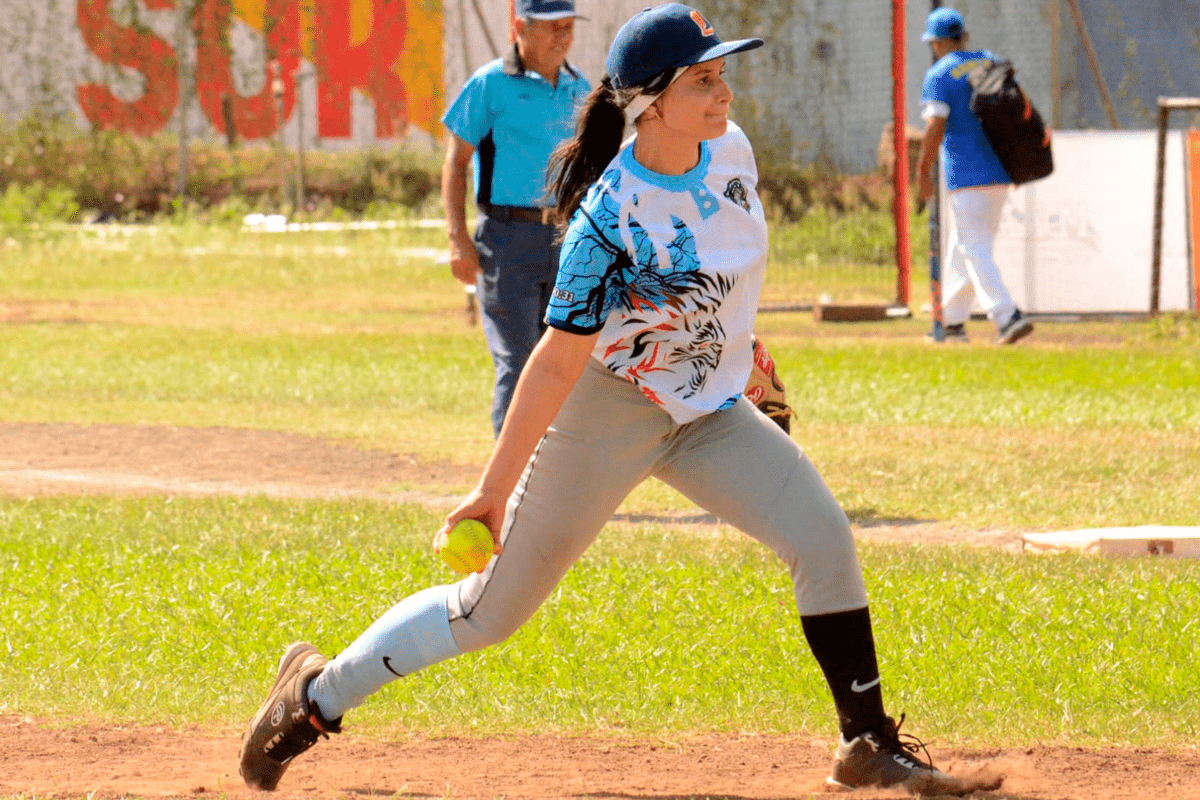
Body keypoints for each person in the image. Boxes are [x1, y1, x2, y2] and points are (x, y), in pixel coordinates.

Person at [238, 5, 1001, 797]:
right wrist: (492, 491)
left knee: (823, 537)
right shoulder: (608, 220)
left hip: (708, 414)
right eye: (701, 80)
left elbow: (725, 277)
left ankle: (867, 744)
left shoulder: (731, 151)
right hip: (608, 412)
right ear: (649, 101)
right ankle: (314, 698)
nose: (722, 93)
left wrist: (746, 357)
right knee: (488, 614)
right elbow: (558, 360)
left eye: (722, 74)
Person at [441, 0, 591, 437]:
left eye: (568, 27)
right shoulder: (490, 85)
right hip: (505, 241)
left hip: (566, 241)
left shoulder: (579, 87)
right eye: (551, 28)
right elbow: (455, 163)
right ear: (520, 27)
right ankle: (509, 488)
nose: (562, 37)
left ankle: (552, 479)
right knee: (518, 359)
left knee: (563, 363)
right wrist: (457, 239)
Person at [915, 6, 1033, 346]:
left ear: (936, 43)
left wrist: (922, 173)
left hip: (966, 174)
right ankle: (952, 322)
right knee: (963, 246)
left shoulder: (939, 73)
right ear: (964, 36)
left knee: (973, 247)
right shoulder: (991, 60)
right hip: (1000, 170)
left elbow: (935, 126)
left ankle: (1007, 316)